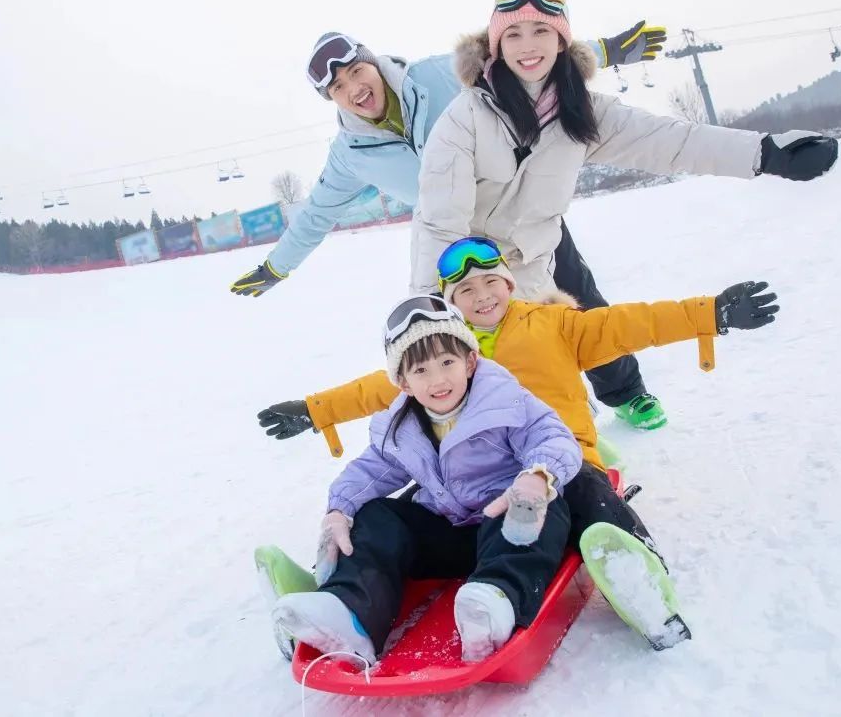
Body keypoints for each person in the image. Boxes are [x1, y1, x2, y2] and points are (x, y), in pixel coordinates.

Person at [260, 236, 781, 650]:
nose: (482, 295)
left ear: (509, 283)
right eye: (466, 291)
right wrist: (314, 412)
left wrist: (711, 313)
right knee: (387, 511)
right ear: (453, 305)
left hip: (559, 464)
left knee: (585, 496)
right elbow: (374, 393)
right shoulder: (438, 354)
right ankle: (337, 593)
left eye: (491, 281)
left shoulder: (552, 324)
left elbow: (633, 323)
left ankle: (640, 579)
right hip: (470, 491)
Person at [408, 0, 837, 428]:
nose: (527, 45)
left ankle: (602, 420)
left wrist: (764, 153)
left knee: (564, 353)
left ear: (561, 40)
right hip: (471, 270)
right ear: (495, 45)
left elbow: (671, 141)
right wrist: (427, 313)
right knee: (475, 376)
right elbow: (439, 221)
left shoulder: (581, 111)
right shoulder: (465, 119)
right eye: (512, 34)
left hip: (535, 262)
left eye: (541, 31)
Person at [228, 18, 665, 294]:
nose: (353, 88)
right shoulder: (351, 155)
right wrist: (275, 267)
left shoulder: (437, 75)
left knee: (576, 292)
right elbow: (316, 215)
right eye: (338, 88)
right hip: (458, 241)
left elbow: (524, 59)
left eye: (355, 71)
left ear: (374, 65)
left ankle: (627, 392)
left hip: (520, 206)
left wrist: (605, 51)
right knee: (491, 333)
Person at [270, 295, 583, 664]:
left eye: (447, 362)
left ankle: (496, 602)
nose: (437, 380)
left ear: (470, 361)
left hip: (507, 524)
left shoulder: (505, 401)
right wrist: (338, 510)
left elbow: (552, 436)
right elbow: (370, 472)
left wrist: (537, 476)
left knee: (545, 509)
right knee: (377, 514)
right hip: (448, 534)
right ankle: (349, 613)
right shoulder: (401, 428)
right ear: (403, 382)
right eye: (420, 371)